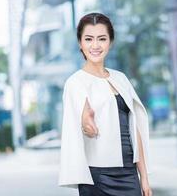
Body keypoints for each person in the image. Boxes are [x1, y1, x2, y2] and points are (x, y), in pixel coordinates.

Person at [58, 12, 152, 196]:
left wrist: (144, 177)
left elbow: (135, 129)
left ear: (110, 42)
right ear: (80, 43)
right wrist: (87, 126)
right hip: (97, 176)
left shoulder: (121, 78)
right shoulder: (75, 82)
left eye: (101, 39)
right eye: (88, 39)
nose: (95, 45)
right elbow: (82, 118)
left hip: (129, 172)